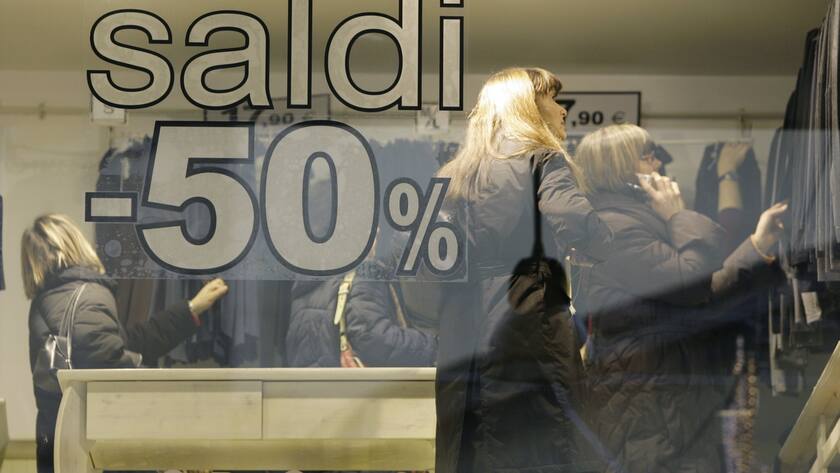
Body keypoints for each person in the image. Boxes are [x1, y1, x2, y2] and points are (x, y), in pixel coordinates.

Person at [571, 124, 786, 473]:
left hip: (663, 394)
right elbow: (691, 282)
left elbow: (697, 294)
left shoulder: (633, 221)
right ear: (618, 166)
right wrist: (677, 214)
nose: (657, 163)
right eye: (647, 157)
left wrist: (757, 247)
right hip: (650, 401)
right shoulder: (614, 229)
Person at [432, 67, 615, 473]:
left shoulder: (453, 174)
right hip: (527, 322)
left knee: (470, 447)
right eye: (552, 98)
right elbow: (577, 221)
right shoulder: (541, 158)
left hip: (463, 329)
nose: (562, 110)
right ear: (526, 106)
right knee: (541, 445)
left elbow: (427, 270)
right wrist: (601, 245)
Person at [21, 214, 229, 473]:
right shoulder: (86, 295)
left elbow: (122, 345)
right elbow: (108, 364)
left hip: (59, 439)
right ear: (74, 242)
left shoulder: (50, 300)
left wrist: (190, 309)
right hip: (94, 447)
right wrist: (168, 388)